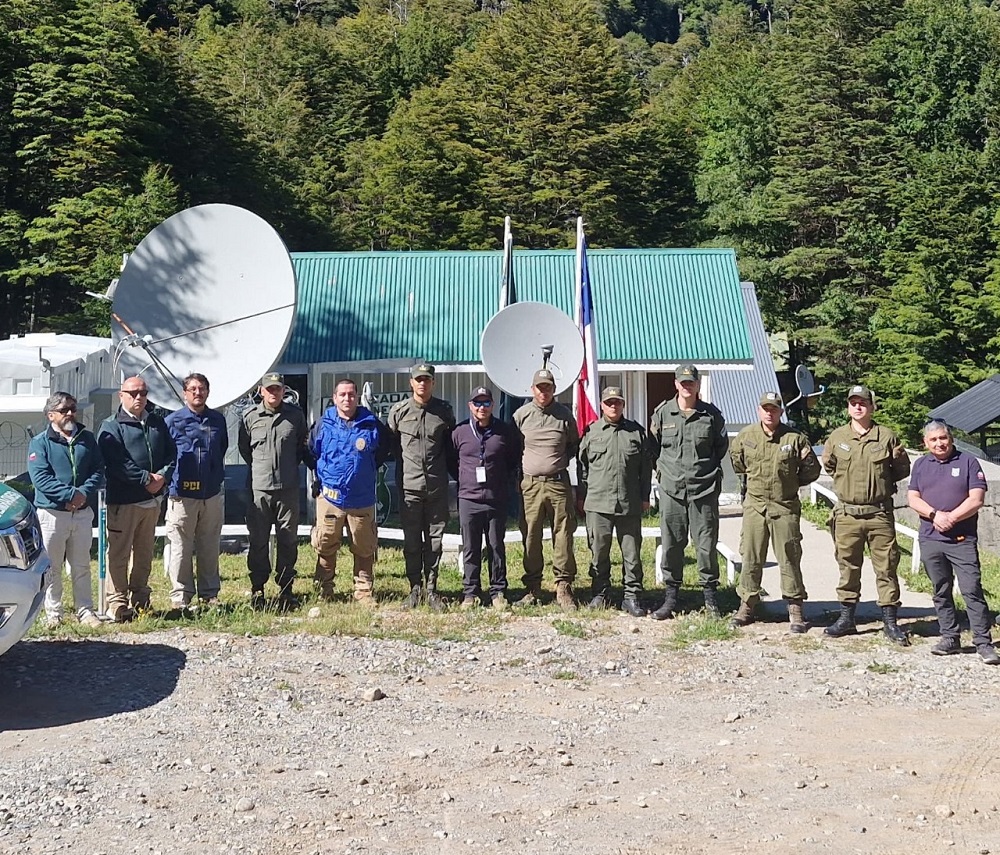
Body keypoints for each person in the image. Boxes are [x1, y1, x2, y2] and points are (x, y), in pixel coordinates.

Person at [821, 384, 911, 644]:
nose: (858, 407)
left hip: (879, 515)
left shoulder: (887, 437)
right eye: (853, 402)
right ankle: (847, 618)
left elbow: (900, 469)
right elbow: (830, 466)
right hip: (848, 515)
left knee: (887, 567)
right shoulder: (837, 438)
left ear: (872, 407)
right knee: (848, 567)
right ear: (848, 407)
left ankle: (890, 622)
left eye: (863, 402)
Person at [907, 421, 1000, 665]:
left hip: (961, 539)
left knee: (971, 590)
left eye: (943, 438)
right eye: (933, 440)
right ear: (925, 443)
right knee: (940, 590)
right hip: (930, 537)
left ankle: (983, 643)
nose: (939, 443)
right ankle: (950, 637)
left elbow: (976, 499)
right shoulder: (920, 464)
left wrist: (952, 518)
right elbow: (913, 498)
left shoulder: (968, 462)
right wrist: (935, 515)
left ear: (951, 438)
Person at [729, 392, 821, 632]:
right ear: (759, 410)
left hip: (784, 507)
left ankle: (795, 608)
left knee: (789, 557)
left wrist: (789, 484)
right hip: (755, 506)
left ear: (781, 411)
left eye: (774, 409)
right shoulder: (746, 436)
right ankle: (747, 605)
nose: (769, 412)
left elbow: (811, 470)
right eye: (765, 408)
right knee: (751, 556)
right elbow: (737, 463)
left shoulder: (795, 439)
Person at [649, 365, 728, 619]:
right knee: (672, 544)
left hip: (703, 490)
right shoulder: (663, 413)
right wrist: (665, 474)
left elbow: (720, 447)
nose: (687, 386)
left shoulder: (711, 415)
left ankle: (710, 598)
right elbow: (654, 448)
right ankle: (671, 598)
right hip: (672, 490)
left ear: (697, 385)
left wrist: (704, 473)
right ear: (676, 384)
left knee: (706, 545)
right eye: (683, 382)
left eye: (691, 382)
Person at [97, 377, 176, 622]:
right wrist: (145, 478)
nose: (139, 397)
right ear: (121, 395)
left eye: (143, 392)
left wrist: (162, 477)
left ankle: (141, 599)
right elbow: (117, 463)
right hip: (124, 501)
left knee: (144, 554)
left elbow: (172, 454)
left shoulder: (157, 423)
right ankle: (117, 603)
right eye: (133, 393)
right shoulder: (111, 426)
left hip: (151, 502)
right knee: (119, 554)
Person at [28, 392, 105, 628]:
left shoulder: (87, 439)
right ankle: (54, 613)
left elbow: (97, 469)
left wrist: (82, 495)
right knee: (52, 566)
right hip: (53, 514)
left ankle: (85, 610)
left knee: (81, 564)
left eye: (73, 408)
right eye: (64, 410)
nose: (71, 413)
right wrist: (71, 495)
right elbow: (41, 478)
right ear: (51, 415)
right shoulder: (40, 443)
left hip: (81, 513)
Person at [311, 378, 390, 605]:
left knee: (364, 546)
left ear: (357, 397)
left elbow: (384, 449)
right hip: (330, 496)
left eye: (351, 394)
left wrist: (365, 470)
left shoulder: (371, 423)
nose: (347, 398)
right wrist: (323, 477)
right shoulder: (322, 424)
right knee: (326, 544)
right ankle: (324, 590)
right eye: (342, 395)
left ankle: (364, 593)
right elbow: (310, 452)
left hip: (361, 497)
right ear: (334, 398)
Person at [238, 373, 313, 611]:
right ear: (261, 391)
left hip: (288, 488)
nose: (273, 393)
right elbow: (244, 449)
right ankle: (258, 589)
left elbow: (302, 446)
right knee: (258, 541)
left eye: (278, 389)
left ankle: (286, 589)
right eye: (269, 389)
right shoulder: (250, 417)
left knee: (288, 540)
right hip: (259, 489)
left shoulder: (295, 416)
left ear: (283, 390)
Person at [576, 386, 651, 617]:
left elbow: (645, 469)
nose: (613, 406)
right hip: (598, 503)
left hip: (628, 503)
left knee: (632, 554)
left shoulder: (636, 433)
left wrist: (645, 497)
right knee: (598, 552)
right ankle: (600, 593)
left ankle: (632, 596)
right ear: (601, 405)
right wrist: (583, 495)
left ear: (623, 404)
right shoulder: (592, 432)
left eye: (617, 402)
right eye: (609, 402)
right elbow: (582, 467)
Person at [387, 362, 455, 610]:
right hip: (410, 488)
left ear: (433, 383)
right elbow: (394, 446)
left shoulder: (444, 413)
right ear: (411, 383)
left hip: (436, 487)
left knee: (435, 541)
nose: (423, 384)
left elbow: (449, 448)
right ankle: (414, 588)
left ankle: (432, 589)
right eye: (419, 380)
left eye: (427, 380)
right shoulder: (399, 412)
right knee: (412, 541)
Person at [513, 368, 579, 611]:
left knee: (562, 535)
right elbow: (514, 448)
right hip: (530, 485)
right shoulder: (521, 416)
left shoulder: (563, 416)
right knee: (530, 535)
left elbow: (573, 444)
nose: (544, 391)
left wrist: (556, 463)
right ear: (533, 389)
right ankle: (533, 587)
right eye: (540, 387)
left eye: (548, 387)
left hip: (558, 483)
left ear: (554, 389)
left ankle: (563, 587)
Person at [450, 386, 520, 610]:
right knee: (471, 547)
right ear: (470, 406)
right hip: (468, 498)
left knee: (496, 546)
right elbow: (452, 461)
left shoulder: (504, 431)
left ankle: (498, 591)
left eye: (486, 403)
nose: (482, 407)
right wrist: (465, 479)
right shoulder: (459, 431)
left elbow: (512, 459)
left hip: (495, 497)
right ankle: (470, 592)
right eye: (477, 403)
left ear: (492, 405)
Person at [165, 373, 229, 611]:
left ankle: (209, 594)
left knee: (210, 545)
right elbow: (166, 455)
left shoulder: (217, 420)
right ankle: (180, 596)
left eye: (201, 388)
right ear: (185, 393)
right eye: (192, 389)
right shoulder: (172, 421)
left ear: (208, 392)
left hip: (210, 493)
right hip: (182, 495)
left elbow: (222, 449)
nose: (197, 392)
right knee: (181, 546)